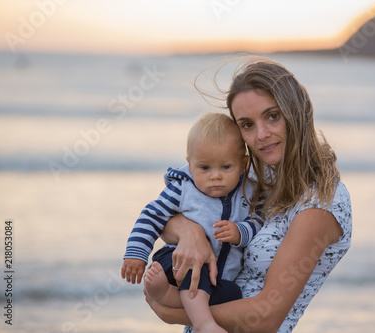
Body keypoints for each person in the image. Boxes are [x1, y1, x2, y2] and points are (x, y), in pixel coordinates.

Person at [145, 56, 352, 333]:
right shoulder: (252, 176)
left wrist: (176, 312)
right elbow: (174, 203)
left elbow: (266, 316)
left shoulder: (321, 204)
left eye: (272, 116)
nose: (261, 134)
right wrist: (189, 232)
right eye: (247, 124)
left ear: (297, 112)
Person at [121, 112, 262, 333]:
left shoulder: (248, 192)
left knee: (233, 293)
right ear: (189, 163)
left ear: (243, 164)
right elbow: (152, 215)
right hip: (176, 262)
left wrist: (240, 231)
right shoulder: (183, 189)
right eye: (204, 168)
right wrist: (136, 254)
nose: (215, 176)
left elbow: (258, 221)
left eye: (226, 167)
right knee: (195, 267)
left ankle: (170, 296)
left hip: (216, 280)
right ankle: (203, 323)